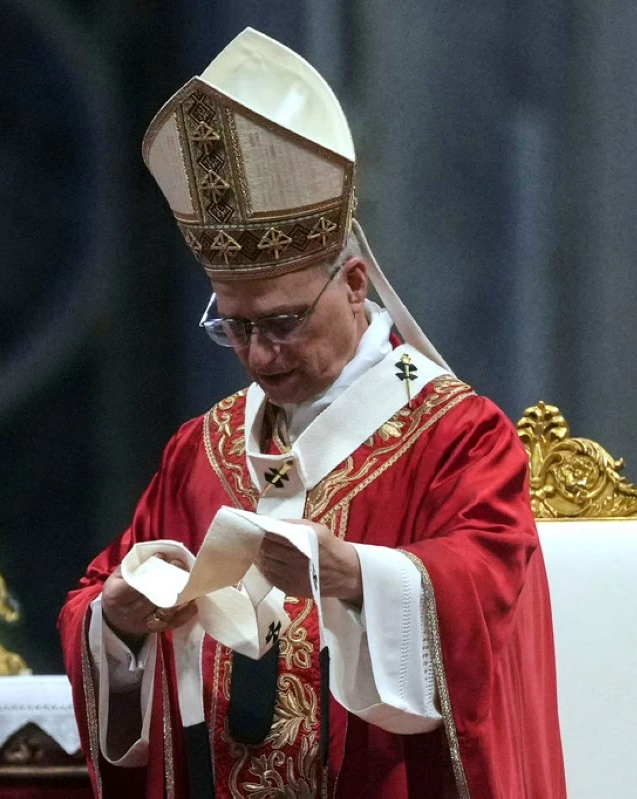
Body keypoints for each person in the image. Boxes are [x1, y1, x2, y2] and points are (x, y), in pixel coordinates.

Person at [59, 27, 566, 799]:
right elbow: (98, 596)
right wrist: (118, 620)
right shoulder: (204, 450)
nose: (261, 354)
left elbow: (489, 593)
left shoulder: (457, 436)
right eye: (235, 326)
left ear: (355, 284)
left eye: (285, 322)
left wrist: (356, 574)